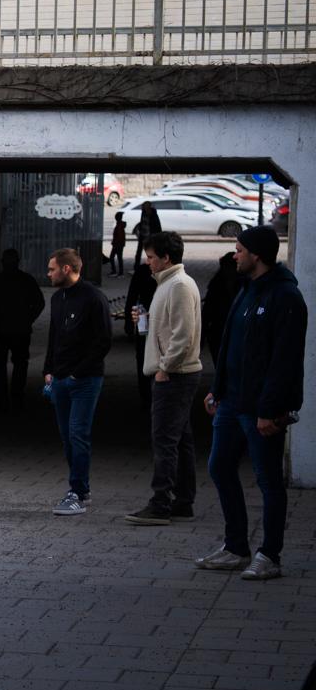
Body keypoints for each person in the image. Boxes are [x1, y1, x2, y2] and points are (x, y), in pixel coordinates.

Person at [198, 226, 307, 581]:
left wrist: (270, 409)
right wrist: (217, 389)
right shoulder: (244, 291)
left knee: (268, 480)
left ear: (256, 255)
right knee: (219, 467)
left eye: (239, 249)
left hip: (260, 408)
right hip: (231, 403)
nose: (234, 255)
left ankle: (269, 555)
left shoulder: (285, 297)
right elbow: (230, 346)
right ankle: (235, 547)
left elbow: (285, 360)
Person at [125, 232, 203, 526]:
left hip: (176, 375)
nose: (148, 263)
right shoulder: (167, 284)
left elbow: (184, 336)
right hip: (174, 372)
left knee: (165, 440)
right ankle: (183, 501)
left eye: (152, 257)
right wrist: (143, 322)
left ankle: (161, 502)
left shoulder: (179, 285)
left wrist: (165, 368)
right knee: (180, 439)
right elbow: (167, 330)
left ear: (166, 258)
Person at [42, 248, 112, 516]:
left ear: (67, 269)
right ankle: (80, 489)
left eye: (52, 269)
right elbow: (54, 335)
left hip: (85, 380)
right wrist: (49, 369)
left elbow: (103, 340)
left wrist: (77, 372)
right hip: (59, 379)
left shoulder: (93, 298)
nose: (48, 274)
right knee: (67, 437)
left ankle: (78, 493)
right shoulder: (58, 298)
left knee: (77, 434)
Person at [0, 249, 45, 413]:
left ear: (2, 262)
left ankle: (1, 400)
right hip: (20, 331)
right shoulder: (26, 280)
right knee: (21, 364)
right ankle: (17, 397)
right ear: (18, 261)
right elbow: (39, 303)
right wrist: (28, 319)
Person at [125, 261, 159, 411]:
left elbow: (132, 295)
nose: (148, 260)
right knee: (143, 358)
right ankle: (147, 397)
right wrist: (128, 320)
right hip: (144, 322)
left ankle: (148, 397)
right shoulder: (145, 271)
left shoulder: (166, 275)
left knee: (144, 358)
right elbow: (132, 295)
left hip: (148, 323)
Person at [200, 251, 240, 368]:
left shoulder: (242, 284)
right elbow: (207, 312)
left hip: (225, 332)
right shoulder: (217, 285)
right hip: (219, 332)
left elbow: (206, 313)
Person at [133, 201, 162, 269]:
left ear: (148, 207)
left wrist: (157, 236)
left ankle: (154, 266)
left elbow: (157, 226)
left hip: (150, 237)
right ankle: (136, 267)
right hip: (143, 236)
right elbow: (143, 222)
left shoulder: (153, 215)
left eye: (143, 206)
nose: (142, 208)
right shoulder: (143, 213)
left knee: (151, 252)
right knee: (138, 252)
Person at [108, 212, 128, 277]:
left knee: (112, 257)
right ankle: (119, 272)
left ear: (116, 218)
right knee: (119, 258)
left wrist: (114, 244)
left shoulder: (119, 226)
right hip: (120, 244)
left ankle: (116, 272)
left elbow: (118, 237)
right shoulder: (120, 225)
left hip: (117, 245)